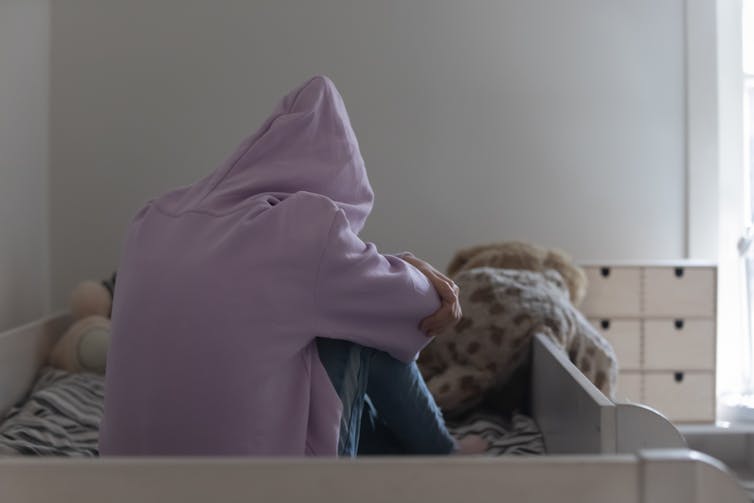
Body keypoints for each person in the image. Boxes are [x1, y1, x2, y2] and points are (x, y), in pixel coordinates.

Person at [98, 75, 487, 456]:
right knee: (368, 323)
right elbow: (421, 307)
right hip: (261, 487)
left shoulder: (152, 217)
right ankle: (442, 453)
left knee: (342, 311)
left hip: (122, 482)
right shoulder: (306, 229)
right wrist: (407, 266)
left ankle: (423, 455)